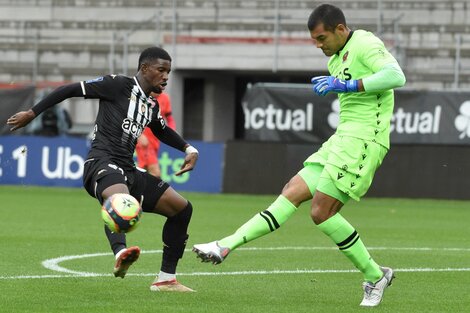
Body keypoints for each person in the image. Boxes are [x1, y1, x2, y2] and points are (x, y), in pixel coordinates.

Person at [193, 3, 406, 307]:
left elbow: (396, 76)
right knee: (291, 191)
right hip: (342, 138)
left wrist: (347, 84)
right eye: (315, 40)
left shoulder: (365, 43)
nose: (319, 46)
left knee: (321, 212)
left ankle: (375, 275)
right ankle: (224, 245)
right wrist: (340, 82)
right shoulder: (336, 60)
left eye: (322, 38)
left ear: (341, 30)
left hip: (364, 140)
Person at [7, 46, 199, 292]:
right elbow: (70, 89)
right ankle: (120, 253)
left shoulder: (150, 104)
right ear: (144, 68)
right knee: (120, 200)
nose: (165, 76)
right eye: (161, 70)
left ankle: (166, 279)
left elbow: (161, 130)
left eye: (168, 72)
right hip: (101, 162)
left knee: (182, 209)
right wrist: (32, 113)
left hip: (129, 169)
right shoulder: (117, 85)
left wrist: (189, 149)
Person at [136, 92, 175, 177]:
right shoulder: (142, 96)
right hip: (144, 141)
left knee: (144, 170)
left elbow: (169, 118)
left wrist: (171, 133)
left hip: (155, 140)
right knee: (156, 173)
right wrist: (139, 135)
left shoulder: (165, 98)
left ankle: (129, 186)